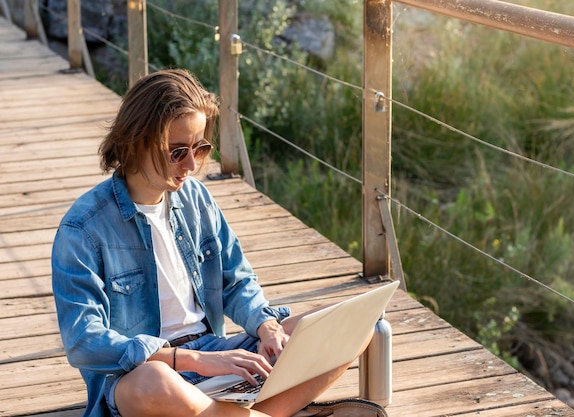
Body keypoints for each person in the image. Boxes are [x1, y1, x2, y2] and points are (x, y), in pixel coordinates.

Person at [51, 69, 351, 417]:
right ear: (136, 141)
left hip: (217, 355)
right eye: (177, 151)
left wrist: (266, 326)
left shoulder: (195, 199)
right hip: (143, 374)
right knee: (156, 381)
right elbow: (84, 342)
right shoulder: (83, 228)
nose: (192, 165)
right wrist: (196, 360)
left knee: (342, 324)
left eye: (200, 148)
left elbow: (235, 280)